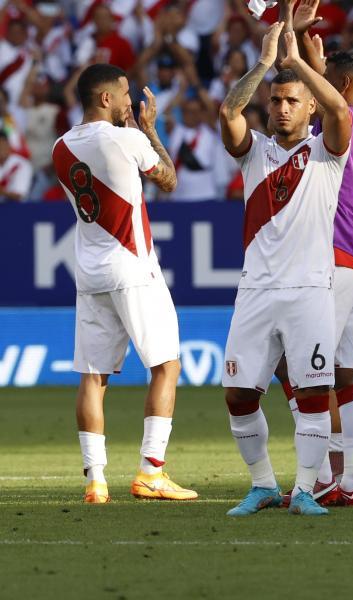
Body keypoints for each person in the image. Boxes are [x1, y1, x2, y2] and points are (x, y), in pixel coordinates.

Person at [218, 22, 351, 517]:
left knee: (315, 390)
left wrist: (298, 64)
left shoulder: (326, 153)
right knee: (237, 393)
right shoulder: (254, 151)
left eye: (292, 100)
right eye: (275, 101)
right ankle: (263, 485)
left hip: (310, 289)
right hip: (256, 290)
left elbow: (339, 109)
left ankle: (303, 491)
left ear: (309, 106)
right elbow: (230, 111)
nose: (281, 108)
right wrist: (265, 62)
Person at [53, 63, 192, 504]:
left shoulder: (60, 148)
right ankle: (152, 471)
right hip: (133, 265)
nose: (132, 101)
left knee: (93, 377)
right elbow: (168, 181)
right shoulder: (126, 137)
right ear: (106, 98)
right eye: (126, 93)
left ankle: (95, 480)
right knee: (166, 365)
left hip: (90, 271)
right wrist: (150, 131)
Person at [285, 0, 353, 508]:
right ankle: (352, 483)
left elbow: (327, 103)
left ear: (341, 88)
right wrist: (312, 51)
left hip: (333, 256)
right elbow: (333, 100)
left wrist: (294, 49)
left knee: (300, 366)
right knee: (347, 372)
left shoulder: (343, 119)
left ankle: (323, 475)